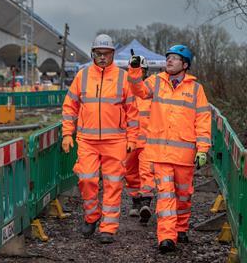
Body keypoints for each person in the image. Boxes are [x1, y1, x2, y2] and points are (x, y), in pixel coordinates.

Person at [128, 45, 211, 253]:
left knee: (183, 196)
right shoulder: (156, 82)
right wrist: (135, 70)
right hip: (161, 154)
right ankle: (166, 237)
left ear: (185, 65)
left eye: (175, 58)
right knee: (165, 195)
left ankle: (181, 228)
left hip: (184, 155)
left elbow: (203, 120)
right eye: (168, 58)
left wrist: (203, 149)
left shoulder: (196, 89)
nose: (169, 61)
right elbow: (138, 90)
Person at [62, 34, 139, 244]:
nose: (102, 57)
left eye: (106, 54)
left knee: (113, 184)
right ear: (93, 54)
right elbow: (70, 107)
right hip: (87, 140)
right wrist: (67, 134)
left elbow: (132, 111)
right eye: (98, 54)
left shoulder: (123, 78)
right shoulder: (82, 76)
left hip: (115, 141)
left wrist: (132, 138)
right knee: (86, 179)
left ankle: (109, 227)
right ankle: (92, 216)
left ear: (113, 54)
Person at [123, 55, 156, 223]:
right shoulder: (124, 89)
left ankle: (146, 203)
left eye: (142, 70)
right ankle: (135, 203)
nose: (139, 73)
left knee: (147, 172)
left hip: (148, 141)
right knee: (130, 173)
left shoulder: (150, 90)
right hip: (129, 140)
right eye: (136, 69)